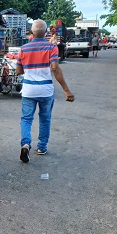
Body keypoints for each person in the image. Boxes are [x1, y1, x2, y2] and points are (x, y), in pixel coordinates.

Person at [16, 19, 74, 163]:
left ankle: (25, 144)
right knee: (45, 118)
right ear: (46, 33)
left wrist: (28, 68)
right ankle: (41, 147)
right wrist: (66, 90)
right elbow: (54, 68)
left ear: (31, 32)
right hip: (46, 91)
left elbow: (18, 71)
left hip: (29, 90)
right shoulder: (51, 47)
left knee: (26, 119)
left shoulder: (24, 48)